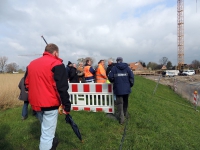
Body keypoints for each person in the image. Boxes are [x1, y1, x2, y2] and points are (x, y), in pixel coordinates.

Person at [24, 43, 71, 150]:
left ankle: (51, 143)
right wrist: (67, 106)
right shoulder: (57, 63)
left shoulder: (31, 64)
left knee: (45, 129)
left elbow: (26, 84)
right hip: (50, 103)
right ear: (55, 53)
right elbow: (62, 88)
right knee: (47, 135)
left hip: (35, 103)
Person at [108, 57, 134, 125]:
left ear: (117, 61)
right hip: (126, 88)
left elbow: (110, 77)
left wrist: (114, 81)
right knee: (126, 102)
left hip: (118, 88)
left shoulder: (114, 68)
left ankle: (121, 119)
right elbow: (132, 77)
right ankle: (125, 114)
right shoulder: (127, 68)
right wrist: (130, 85)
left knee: (119, 103)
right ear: (122, 61)